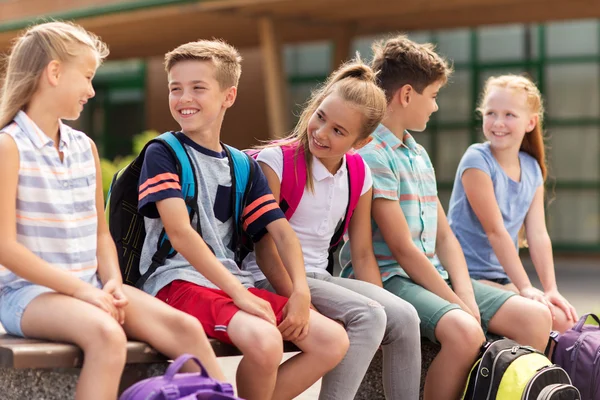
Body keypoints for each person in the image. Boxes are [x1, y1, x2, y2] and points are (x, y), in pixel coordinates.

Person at [0, 21, 226, 400]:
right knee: (106, 335)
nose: (91, 90)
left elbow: (101, 234)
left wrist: (112, 284)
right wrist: (82, 293)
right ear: (54, 73)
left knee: (186, 330)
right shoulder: (9, 147)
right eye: (86, 77)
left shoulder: (83, 146)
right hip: (27, 295)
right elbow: (5, 247)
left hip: (90, 286)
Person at [340, 35, 553, 400]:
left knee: (536, 318)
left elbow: (444, 238)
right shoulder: (373, 154)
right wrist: (457, 304)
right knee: (465, 332)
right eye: (434, 96)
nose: (436, 107)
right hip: (395, 279)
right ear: (407, 95)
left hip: (433, 276)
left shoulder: (417, 153)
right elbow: (403, 250)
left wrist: (464, 292)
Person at [138, 39, 348, 400]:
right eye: (176, 89)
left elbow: (280, 233)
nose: (184, 98)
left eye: (198, 88)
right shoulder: (163, 153)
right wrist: (240, 294)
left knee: (332, 340)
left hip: (231, 284)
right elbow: (180, 233)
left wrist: (298, 291)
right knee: (266, 340)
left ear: (228, 97)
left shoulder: (242, 166)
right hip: (176, 283)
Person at [243, 59, 421, 400]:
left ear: (362, 141)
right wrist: (298, 297)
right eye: (321, 117)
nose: (321, 133)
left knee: (404, 316)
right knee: (367, 318)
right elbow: (264, 249)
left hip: (319, 280)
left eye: (338, 131)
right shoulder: (276, 162)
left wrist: (379, 301)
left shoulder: (359, 174)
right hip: (270, 276)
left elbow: (363, 254)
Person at [447, 74, 578, 333]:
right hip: (465, 276)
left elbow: (538, 234)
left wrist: (551, 288)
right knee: (537, 315)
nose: (498, 123)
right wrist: (525, 288)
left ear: (530, 123)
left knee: (566, 321)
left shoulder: (532, 168)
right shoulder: (476, 160)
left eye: (509, 115)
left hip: (502, 277)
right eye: (491, 113)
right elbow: (496, 232)